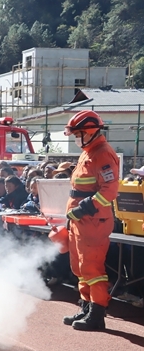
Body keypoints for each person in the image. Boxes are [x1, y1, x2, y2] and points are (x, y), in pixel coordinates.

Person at [61, 110, 120, 331]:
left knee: (92, 268)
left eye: (79, 134)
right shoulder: (88, 152)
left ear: (90, 132)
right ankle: (86, 307)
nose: (76, 138)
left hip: (93, 220)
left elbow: (109, 190)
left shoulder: (103, 154)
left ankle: (97, 314)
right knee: (80, 267)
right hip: (80, 220)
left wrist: (84, 208)